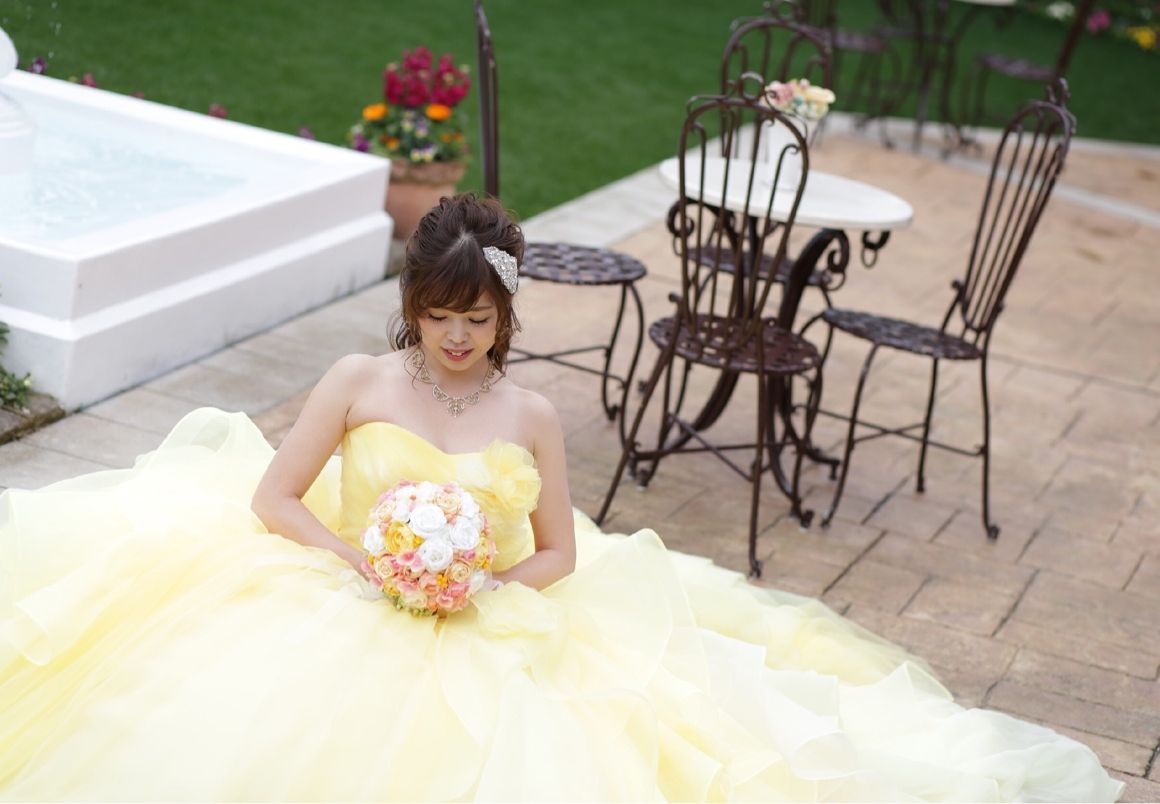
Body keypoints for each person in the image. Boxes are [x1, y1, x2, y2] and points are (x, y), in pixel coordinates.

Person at [0, 194, 1123, 801]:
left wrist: (481, 585)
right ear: (412, 305)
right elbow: (275, 501)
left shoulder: (531, 413)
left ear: (505, 317)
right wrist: (366, 566)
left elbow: (558, 555)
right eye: (439, 316)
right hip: (339, 587)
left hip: (478, 607)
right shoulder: (355, 381)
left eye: (476, 319)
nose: (455, 337)